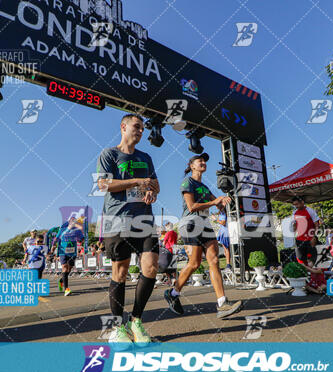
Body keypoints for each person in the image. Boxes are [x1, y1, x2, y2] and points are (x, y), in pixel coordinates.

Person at [96, 114, 160, 347]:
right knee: (120, 273)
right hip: (117, 219)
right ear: (123, 127)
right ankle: (117, 327)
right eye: (137, 127)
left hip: (144, 219)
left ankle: (136, 320)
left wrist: (152, 191)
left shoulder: (146, 157)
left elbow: (155, 184)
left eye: (143, 128)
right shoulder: (109, 154)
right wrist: (136, 182)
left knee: (152, 267)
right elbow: (103, 184)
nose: (141, 131)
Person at [164, 153, 243, 319]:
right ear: (192, 165)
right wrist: (215, 202)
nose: (203, 162)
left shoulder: (205, 188)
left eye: (205, 160)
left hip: (205, 223)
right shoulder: (188, 182)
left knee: (214, 260)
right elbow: (192, 206)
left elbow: (219, 204)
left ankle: (222, 303)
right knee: (194, 263)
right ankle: (173, 292)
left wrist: (225, 201)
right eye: (199, 160)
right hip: (191, 222)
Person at [50, 217, 84, 296]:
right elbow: (56, 239)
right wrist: (53, 247)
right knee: (65, 267)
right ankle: (66, 289)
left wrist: (80, 240)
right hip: (63, 252)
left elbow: (81, 239)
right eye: (71, 221)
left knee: (69, 268)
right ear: (69, 222)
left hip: (72, 252)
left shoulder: (77, 230)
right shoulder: (62, 229)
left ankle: (62, 280)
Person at [290, 196, 321, 265]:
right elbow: (294, 224)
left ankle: (313, 273)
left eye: (297, 204)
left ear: (302, 202)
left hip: (310, 238)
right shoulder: (294, 212)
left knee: (313, 258)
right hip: (299, 239)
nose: (296, 206)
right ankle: (305, 274)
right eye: (294, 205)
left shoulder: (310, 211)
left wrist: (314, 237)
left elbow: (317, 225)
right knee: (301, 258)